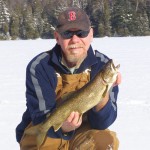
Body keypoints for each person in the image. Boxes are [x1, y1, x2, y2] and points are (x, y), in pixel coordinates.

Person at [16, 7, 121, 150]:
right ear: (57, 37)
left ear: (91, 34)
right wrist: (64, 128)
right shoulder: (40, 66)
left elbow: (102, 123)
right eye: (67, 34)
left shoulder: (102, 65)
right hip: (47, 131)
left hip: (83, 131)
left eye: (81, 33)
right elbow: (40, 116)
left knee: (104, 142)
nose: (75, 40)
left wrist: (104, 95)